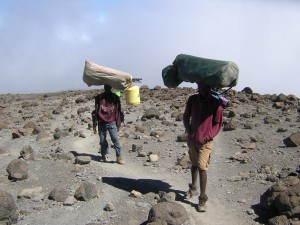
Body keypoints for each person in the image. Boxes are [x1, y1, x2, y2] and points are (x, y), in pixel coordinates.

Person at [183, 83, 223, 212]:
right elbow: (186, 116)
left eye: (207, 86)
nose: (205, 88)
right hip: (193, 138)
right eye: (202, 86)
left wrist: (208, 136)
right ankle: (193, 187)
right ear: (198, 86)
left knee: (202, 166)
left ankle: (202, 197)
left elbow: (218, 124)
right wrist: (189, 131)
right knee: (194, 163)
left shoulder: (215, 102)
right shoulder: (193, 99)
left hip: (206, 141)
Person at [92, 84, 125, 165]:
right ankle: (104, 155)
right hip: (101, 122)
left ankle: (119, 157)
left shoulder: (115, 97)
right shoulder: (99, 98)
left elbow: (118, 110)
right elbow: (96, 111)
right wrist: (94, 124)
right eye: (106, 87)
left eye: (108, 87)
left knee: (115, 139)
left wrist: (118, 122)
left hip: (112, 122)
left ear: (110, 88)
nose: (107, 89)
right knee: (103, 140)